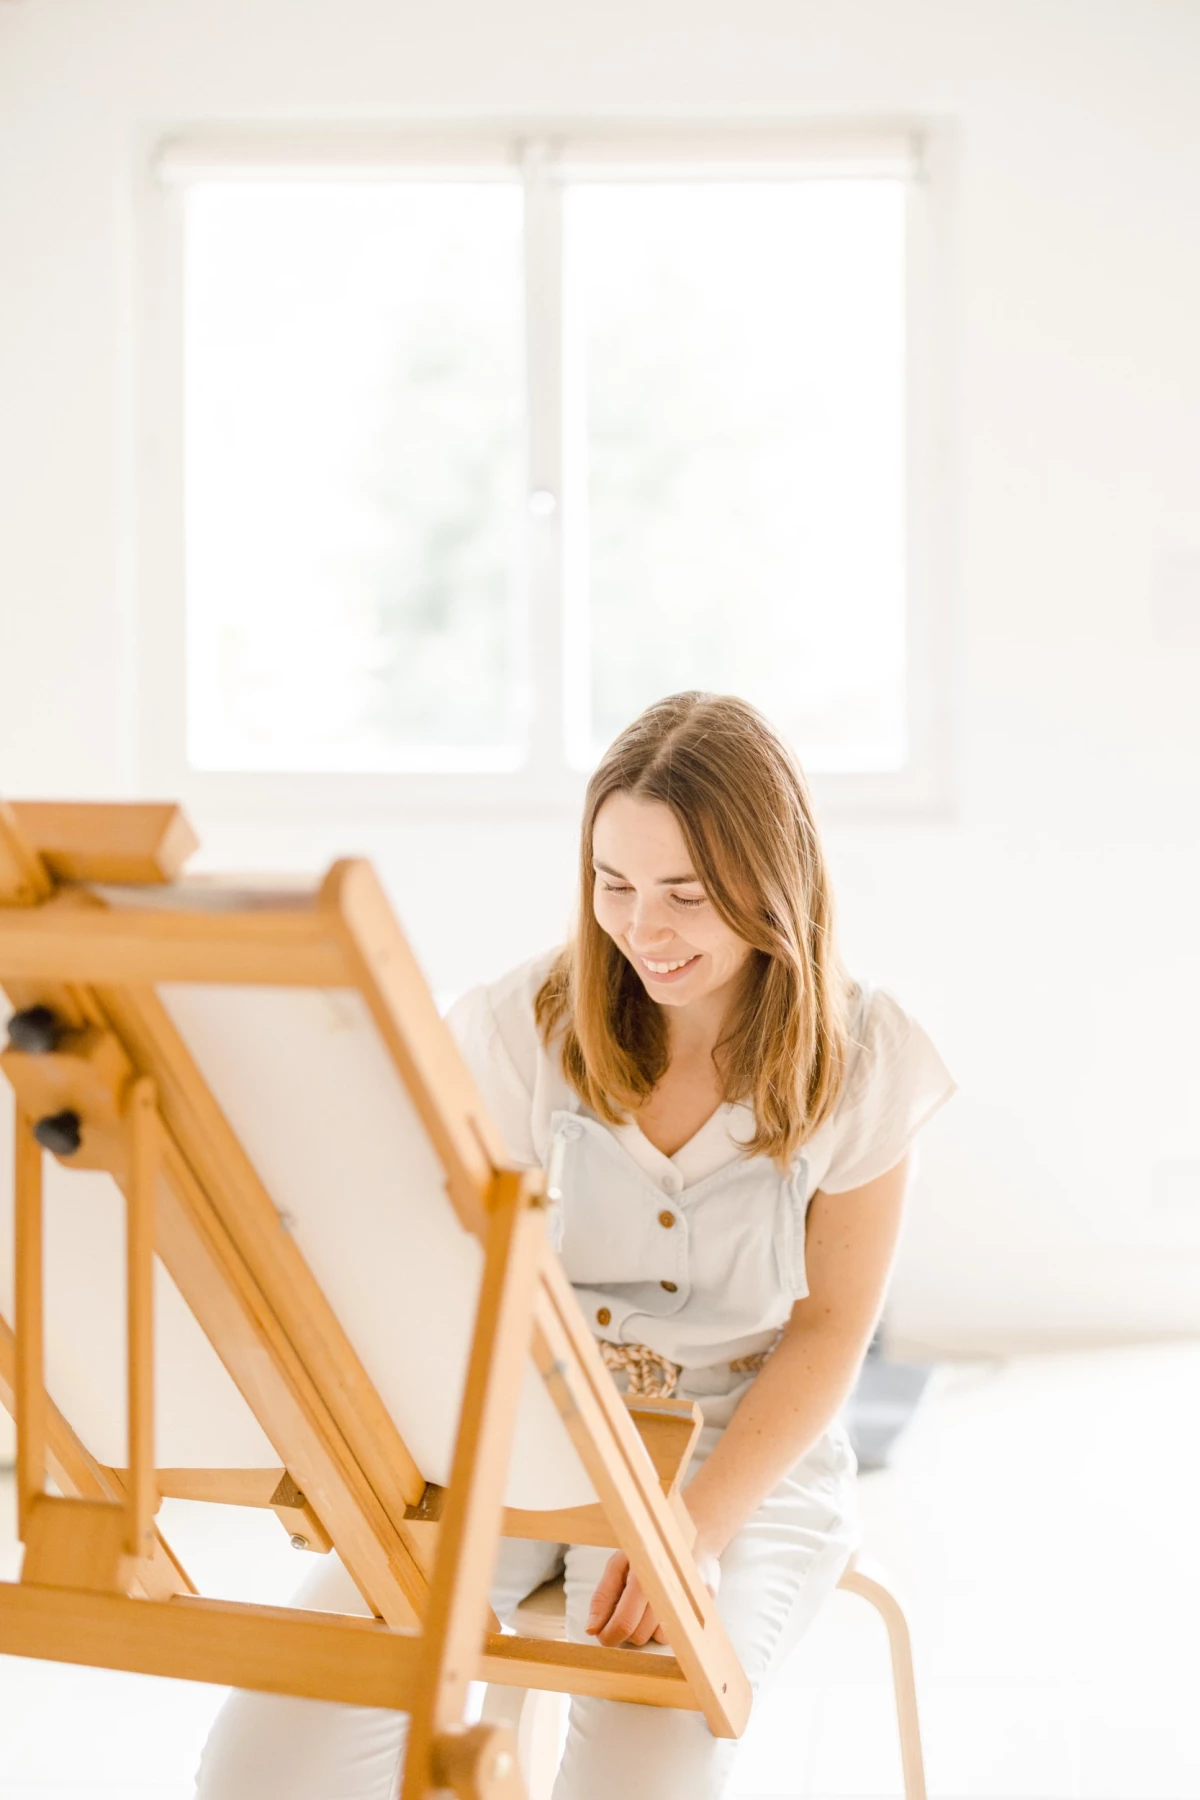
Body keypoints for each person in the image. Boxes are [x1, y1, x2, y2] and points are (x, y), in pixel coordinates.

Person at [194, 690, 957, 1800]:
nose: (642, 929)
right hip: (516, 1432)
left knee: (646, 1764)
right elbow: (441, 1274)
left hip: (728, 1460)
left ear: (771, 883)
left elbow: (833, 1330)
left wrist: (686, 1531)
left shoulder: (869, 1056)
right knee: (273, 1751)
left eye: (686, 895)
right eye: (615, 885)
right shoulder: (520, 1025)